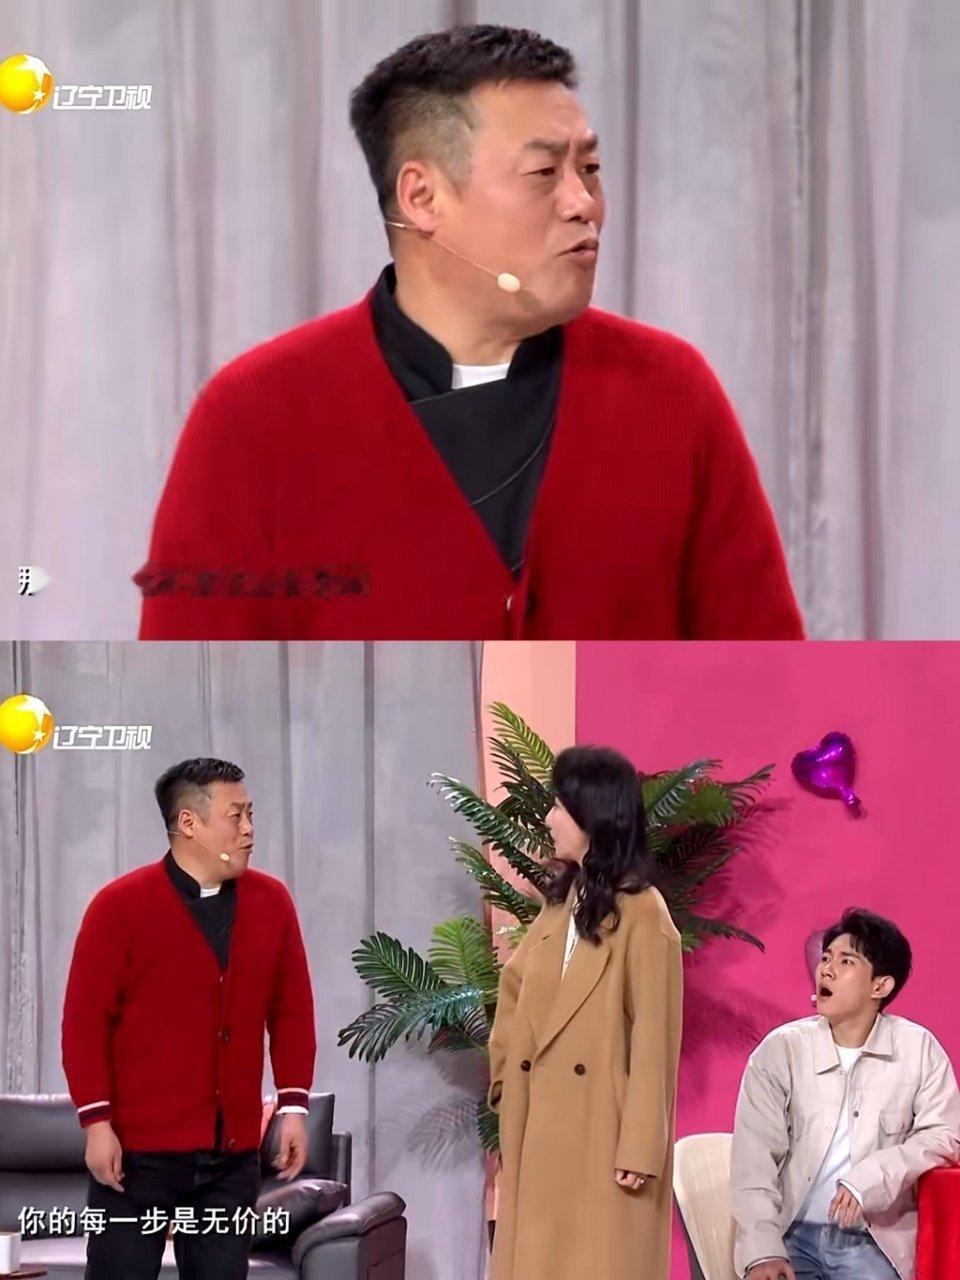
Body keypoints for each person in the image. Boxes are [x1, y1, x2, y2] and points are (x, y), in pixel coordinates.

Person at [135, 23, 803, 642]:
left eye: (591, 170)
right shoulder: (255, 417)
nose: (584, 204)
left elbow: (768, 673)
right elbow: (195, 678)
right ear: (422, 198)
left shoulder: (669, 392)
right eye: (544, 173)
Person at [61, 758, 317, 1279]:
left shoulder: (272, 903)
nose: (249, 829)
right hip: (137, 1157)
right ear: (188, 823)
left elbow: (292, 1010)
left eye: (250, 814)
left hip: (231, 1157)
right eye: (235, 816)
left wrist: (293, 1105)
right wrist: (97, 1124)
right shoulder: (119, 906)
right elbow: (84, 1024)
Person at [487, 745, 683, 1280]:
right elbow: (514, 989)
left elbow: (656, 1037)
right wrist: (506, 1083)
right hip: (539, 1127)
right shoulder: (561, 902)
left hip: (604, 1137)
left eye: (558, 806)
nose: (549, 819)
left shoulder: (645, 914)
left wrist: (640, 1145)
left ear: (593, 815)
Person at [731, 908, 960, 1280]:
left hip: (872, 1240)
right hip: (789, 1236)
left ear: (880, 987)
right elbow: (753, 1160)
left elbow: (945, 1136)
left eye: (846, 961)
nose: (826, 970)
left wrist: (870, 1177)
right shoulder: (781, 1050)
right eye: (826, 958)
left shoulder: (918, 1049)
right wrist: (763, 1251)